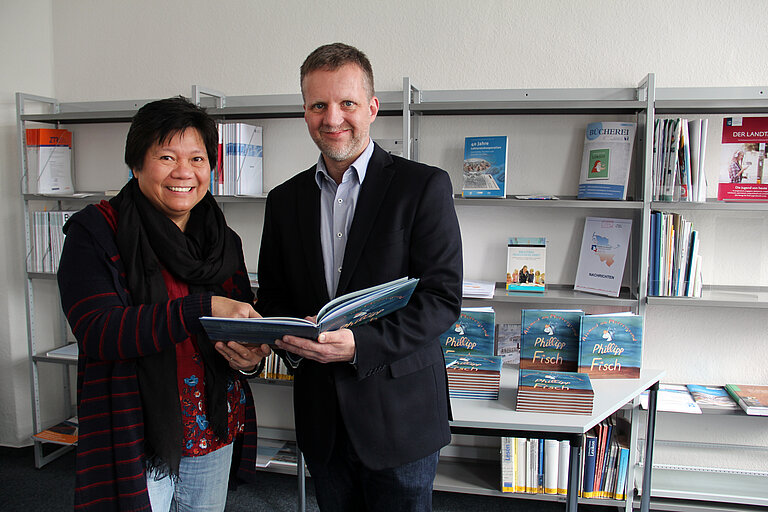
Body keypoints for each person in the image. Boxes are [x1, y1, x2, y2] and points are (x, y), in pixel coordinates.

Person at [256, 43, 463, 511]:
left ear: (372, 108)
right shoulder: (284, 200)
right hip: (321, 417)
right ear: (305, 112)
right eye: (318, 105)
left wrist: (360, 346)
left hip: (400, 416)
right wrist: (285, 333)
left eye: (347, 103)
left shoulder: (423, 186)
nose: (332, 118)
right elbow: (273, 296)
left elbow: (442, 300)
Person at [57, 96, 271, 512]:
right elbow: (100, 331)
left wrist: (250, 357)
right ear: (136, 164)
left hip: (211, 425)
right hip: (136, 429)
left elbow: (241, 324)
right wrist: (202, 308)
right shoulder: (96, 231)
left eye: (198, 158)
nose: (184, 173)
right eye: (166, 156)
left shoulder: (224, 241)